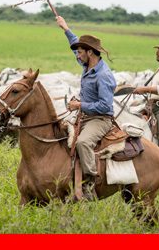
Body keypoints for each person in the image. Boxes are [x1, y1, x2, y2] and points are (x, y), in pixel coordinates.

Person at [56, 16, 116, 201]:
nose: (78, 55)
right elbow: (75, 43)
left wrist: (80, 105)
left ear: (90, 52)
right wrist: (65, 28)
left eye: (81, 52)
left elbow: (105, 105)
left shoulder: (103, 76)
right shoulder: (87, 63)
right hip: (85, 115)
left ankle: (90, 183)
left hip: (100, 119)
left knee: (82, 142)